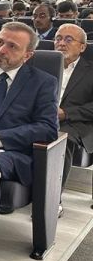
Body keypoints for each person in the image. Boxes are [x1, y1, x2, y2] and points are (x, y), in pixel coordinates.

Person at [0, 22, 58, 210]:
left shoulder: (43, 82)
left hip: (13, 153)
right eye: (0, 42)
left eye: (12, 46)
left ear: (27, 55)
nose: (1, 50)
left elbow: (47, 128)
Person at [53, 24, 93, 191]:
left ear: (82, 47)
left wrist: (66, 113)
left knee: (62, 138)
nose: (61, 43)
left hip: (75, 122)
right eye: (58, 39)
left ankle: (53, 197)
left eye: (69, 40)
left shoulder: (90, 70)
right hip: (41, 116)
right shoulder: (41, 65)